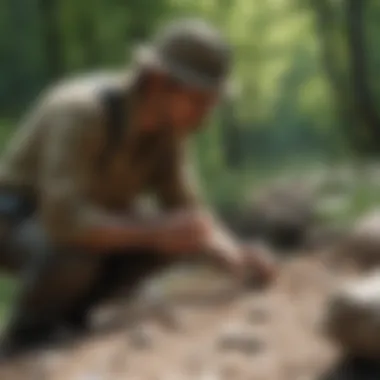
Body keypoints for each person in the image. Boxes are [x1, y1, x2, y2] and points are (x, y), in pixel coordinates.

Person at [0, 18, 277, 356]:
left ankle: (70, 316)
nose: (206, 117)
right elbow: (64, 219)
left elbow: (187, 211)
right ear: (160, 82)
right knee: (76, 255)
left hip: (74, 227)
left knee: (174, 240)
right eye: (199, 100)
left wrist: (238, 258)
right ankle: (29, 334)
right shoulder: (80, 112)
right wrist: (155, 229)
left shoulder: (169, 131)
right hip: (16, 220)